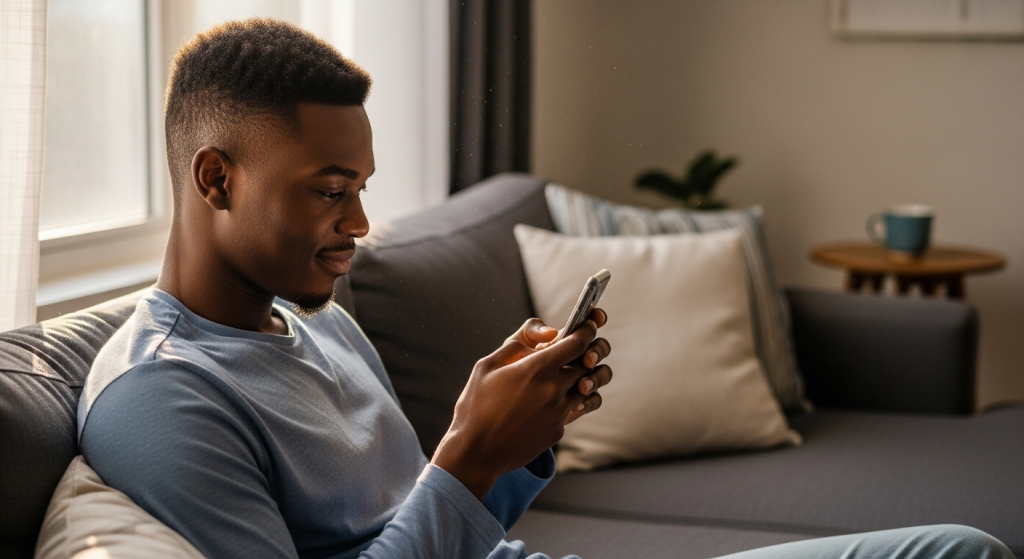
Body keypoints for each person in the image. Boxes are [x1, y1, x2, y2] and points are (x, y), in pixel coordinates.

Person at [78, 19, 1013, 559]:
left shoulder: (312, 322)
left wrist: (516, 446)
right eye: (330, 193)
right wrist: (468, 454)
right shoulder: (162, 399)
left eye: (362, 190)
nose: (359, 226)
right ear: (215, 180)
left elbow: (437, 530)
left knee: (959, 548)